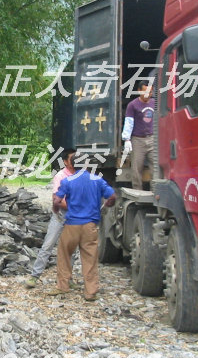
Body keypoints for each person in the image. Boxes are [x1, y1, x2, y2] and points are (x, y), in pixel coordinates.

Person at [52, 153, 116, 301]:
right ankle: (90, 292)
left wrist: (56, 211)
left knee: (64, 254)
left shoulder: (68, 181)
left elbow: (57, 200)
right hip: (90, 226)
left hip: (72, 225)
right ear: (87, 165)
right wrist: (107, 204)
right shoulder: (97, 180)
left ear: (72, 165)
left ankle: (62, 286)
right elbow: (112, 196)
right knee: (90, 258)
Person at [24, 149, 75, 288]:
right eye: (72, 158)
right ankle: (34, 276)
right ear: (65, 161)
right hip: (61, 215)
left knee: (72, 249)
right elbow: (57, 199)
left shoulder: (81, 175)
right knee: (48, 245)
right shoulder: (60, 176)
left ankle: (68, 279)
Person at [122, 81, 155, 190]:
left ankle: (156, 192)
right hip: (138, 140)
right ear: (139, 91)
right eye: (145, 92)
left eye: (150, 92)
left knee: (155, 168)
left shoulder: (154, 103)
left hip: (152, 138)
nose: (147, 95)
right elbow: (129, 122)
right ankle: (137, 191)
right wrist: (127, 139)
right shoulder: (133, 105)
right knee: (136, 168)